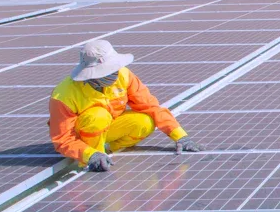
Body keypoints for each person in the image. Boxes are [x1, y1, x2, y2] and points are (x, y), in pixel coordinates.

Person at [49, 40, 202, 171]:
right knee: (98, 116)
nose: (114, 73)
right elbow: (63, 139)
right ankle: (95, 157)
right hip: (81, 139)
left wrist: (181, 136)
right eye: (108, 70)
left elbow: (151, 106)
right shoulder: (64, 95)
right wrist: (89, 154)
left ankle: (107, 149)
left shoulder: (124, 75)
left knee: (145, 122)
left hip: (108, 128)